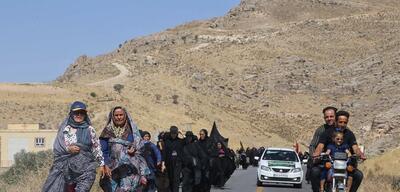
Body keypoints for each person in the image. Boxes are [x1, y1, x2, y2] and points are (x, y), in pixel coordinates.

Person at [42, 101, 104, 192]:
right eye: (76, 112)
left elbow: (96, 147)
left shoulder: (90, 129)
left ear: (85, 114)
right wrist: (68, 149)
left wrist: (101, 164)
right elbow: (58, 147)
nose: (79, 115)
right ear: (71, 113)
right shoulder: (65, 129)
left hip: (87, 170)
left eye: (82, 113)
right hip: (68, 171)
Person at [312, 110, 366, 192]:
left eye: (345, 122)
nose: (343, 124)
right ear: (336, 121)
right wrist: (316, 154)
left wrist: (360, 154)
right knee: (315, 172)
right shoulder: (327, 132)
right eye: (340, 122)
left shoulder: (350, 134)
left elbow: (355, 147)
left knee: (359, 175)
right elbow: (320, 146)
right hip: (330, 163)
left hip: (345, 164)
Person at [99, 106, 150, 192]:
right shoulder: (107, 131)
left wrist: (134, 151)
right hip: (112, 169)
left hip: (130, 169)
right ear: (112, 116)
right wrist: (105, 164)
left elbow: (140, 148)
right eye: (116, 115)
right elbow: (103, 150)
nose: (119, 117)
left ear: (125, 115)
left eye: (121, 115)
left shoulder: (133, 131)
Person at [307, 106, 337, 184]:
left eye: (331, 116)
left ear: (336, 116)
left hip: (340, 161)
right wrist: (314, 157)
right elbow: (313, 145)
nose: (329, 118)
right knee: (315, 172)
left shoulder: (343, 129)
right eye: (327, 117)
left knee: (357, 175)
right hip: (323, 160)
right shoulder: (320, 130)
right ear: (324, 118)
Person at [164, 126, 185, 192]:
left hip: (177, 163)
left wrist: (182, 134)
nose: (174, 135)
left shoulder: (180, 141)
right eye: (172, 133)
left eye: (175, 133)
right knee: (170, 179)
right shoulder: (167, 141)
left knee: (176, 179)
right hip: (169, 163)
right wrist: (163, 162)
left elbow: (188, 141)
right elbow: (164, 152)